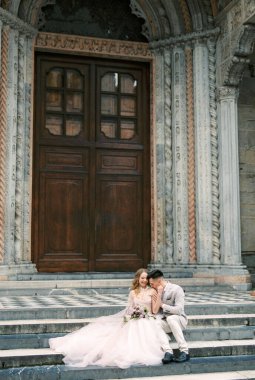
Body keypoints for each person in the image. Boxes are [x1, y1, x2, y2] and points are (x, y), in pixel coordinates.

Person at [49, 268, 168, 368]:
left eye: (146, 278)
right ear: (138, 278)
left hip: (147, 319)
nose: (144, 280)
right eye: (141, 277)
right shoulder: (133, 292)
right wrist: (127, 319)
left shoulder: (152, 291)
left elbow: (155, 310)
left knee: (143, 329)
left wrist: (158, 295)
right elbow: (129, 309)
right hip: (134, 318)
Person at [147, 269, 190, 364]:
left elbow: (179, 310)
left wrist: (162, 305)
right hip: (166, 321)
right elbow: (155, 311)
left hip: (179, 320)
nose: (151, 286)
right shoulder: (156, 291)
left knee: (171, 318)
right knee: (156, 323)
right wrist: (159, 294)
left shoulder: (176, 289)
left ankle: (184, 351)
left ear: (159, 281)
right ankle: (168, 352)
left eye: (152, 283)